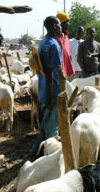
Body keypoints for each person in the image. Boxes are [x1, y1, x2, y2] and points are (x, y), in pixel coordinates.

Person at [30, 16, 63, 155]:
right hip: (52, 92)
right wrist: (50, 98)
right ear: (55, 26)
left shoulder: (44, 43)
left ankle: (35, 151)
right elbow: (49, 72)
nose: (61, 28)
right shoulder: (53, 45)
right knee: (52, 129)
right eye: (60, 25)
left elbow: (41, 70)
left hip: (44, 89)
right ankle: (50, 157)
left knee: (45, 124)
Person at [56, 12, 75, 81]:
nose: (69, 24)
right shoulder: (55, 37)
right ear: (61, 23)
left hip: (68, 70)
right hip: (59, 71)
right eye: (67, 22)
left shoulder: (66, 35)